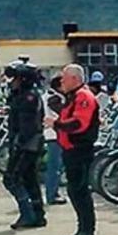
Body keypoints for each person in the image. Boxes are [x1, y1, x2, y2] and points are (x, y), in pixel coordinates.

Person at [49, 64, 100, 235]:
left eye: (64, 78)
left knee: (79, 190)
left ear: (74, 79)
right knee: (75, 190)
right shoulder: (73, 97)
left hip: (80, 149)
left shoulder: (83, 97)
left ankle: (87, 230)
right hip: (70, 149)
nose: (61, 82)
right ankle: (83, 228)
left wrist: (56, 124)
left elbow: (79, 124)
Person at [1, 62, 46, 230]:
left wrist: (18, 144)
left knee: (12, 178)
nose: (12, 82)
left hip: (27, 144)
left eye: (15, 78)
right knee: (29, 179)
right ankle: (38, 214)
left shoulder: (29, 97)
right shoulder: (23, 95)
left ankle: (27, 214)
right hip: (28, 143)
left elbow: (28, 125)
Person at [43, 76, 67, 206]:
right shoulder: (54, 98)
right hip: (54, 135)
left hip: (53, 134)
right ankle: (52, 195)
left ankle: (54, 192)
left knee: (55, 167)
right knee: (54, 167)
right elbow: (64, 113)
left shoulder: (49, 95)